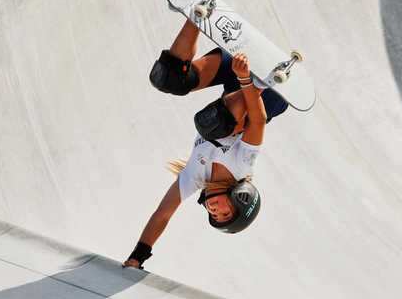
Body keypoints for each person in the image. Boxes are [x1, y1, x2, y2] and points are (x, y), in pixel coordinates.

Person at [123, 20, 289, 269]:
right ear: (240, 199)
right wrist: (246, 80)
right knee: (213, 125)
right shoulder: (241, 167)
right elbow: (259, 120)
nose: (214, 211)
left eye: (214, 216)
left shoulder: (194, 177)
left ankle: (198, 13)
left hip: (237, 80)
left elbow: (162, 214)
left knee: (169, 78)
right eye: (224, 213)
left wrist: (137, 257)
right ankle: (265, 77)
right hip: (267, 97)